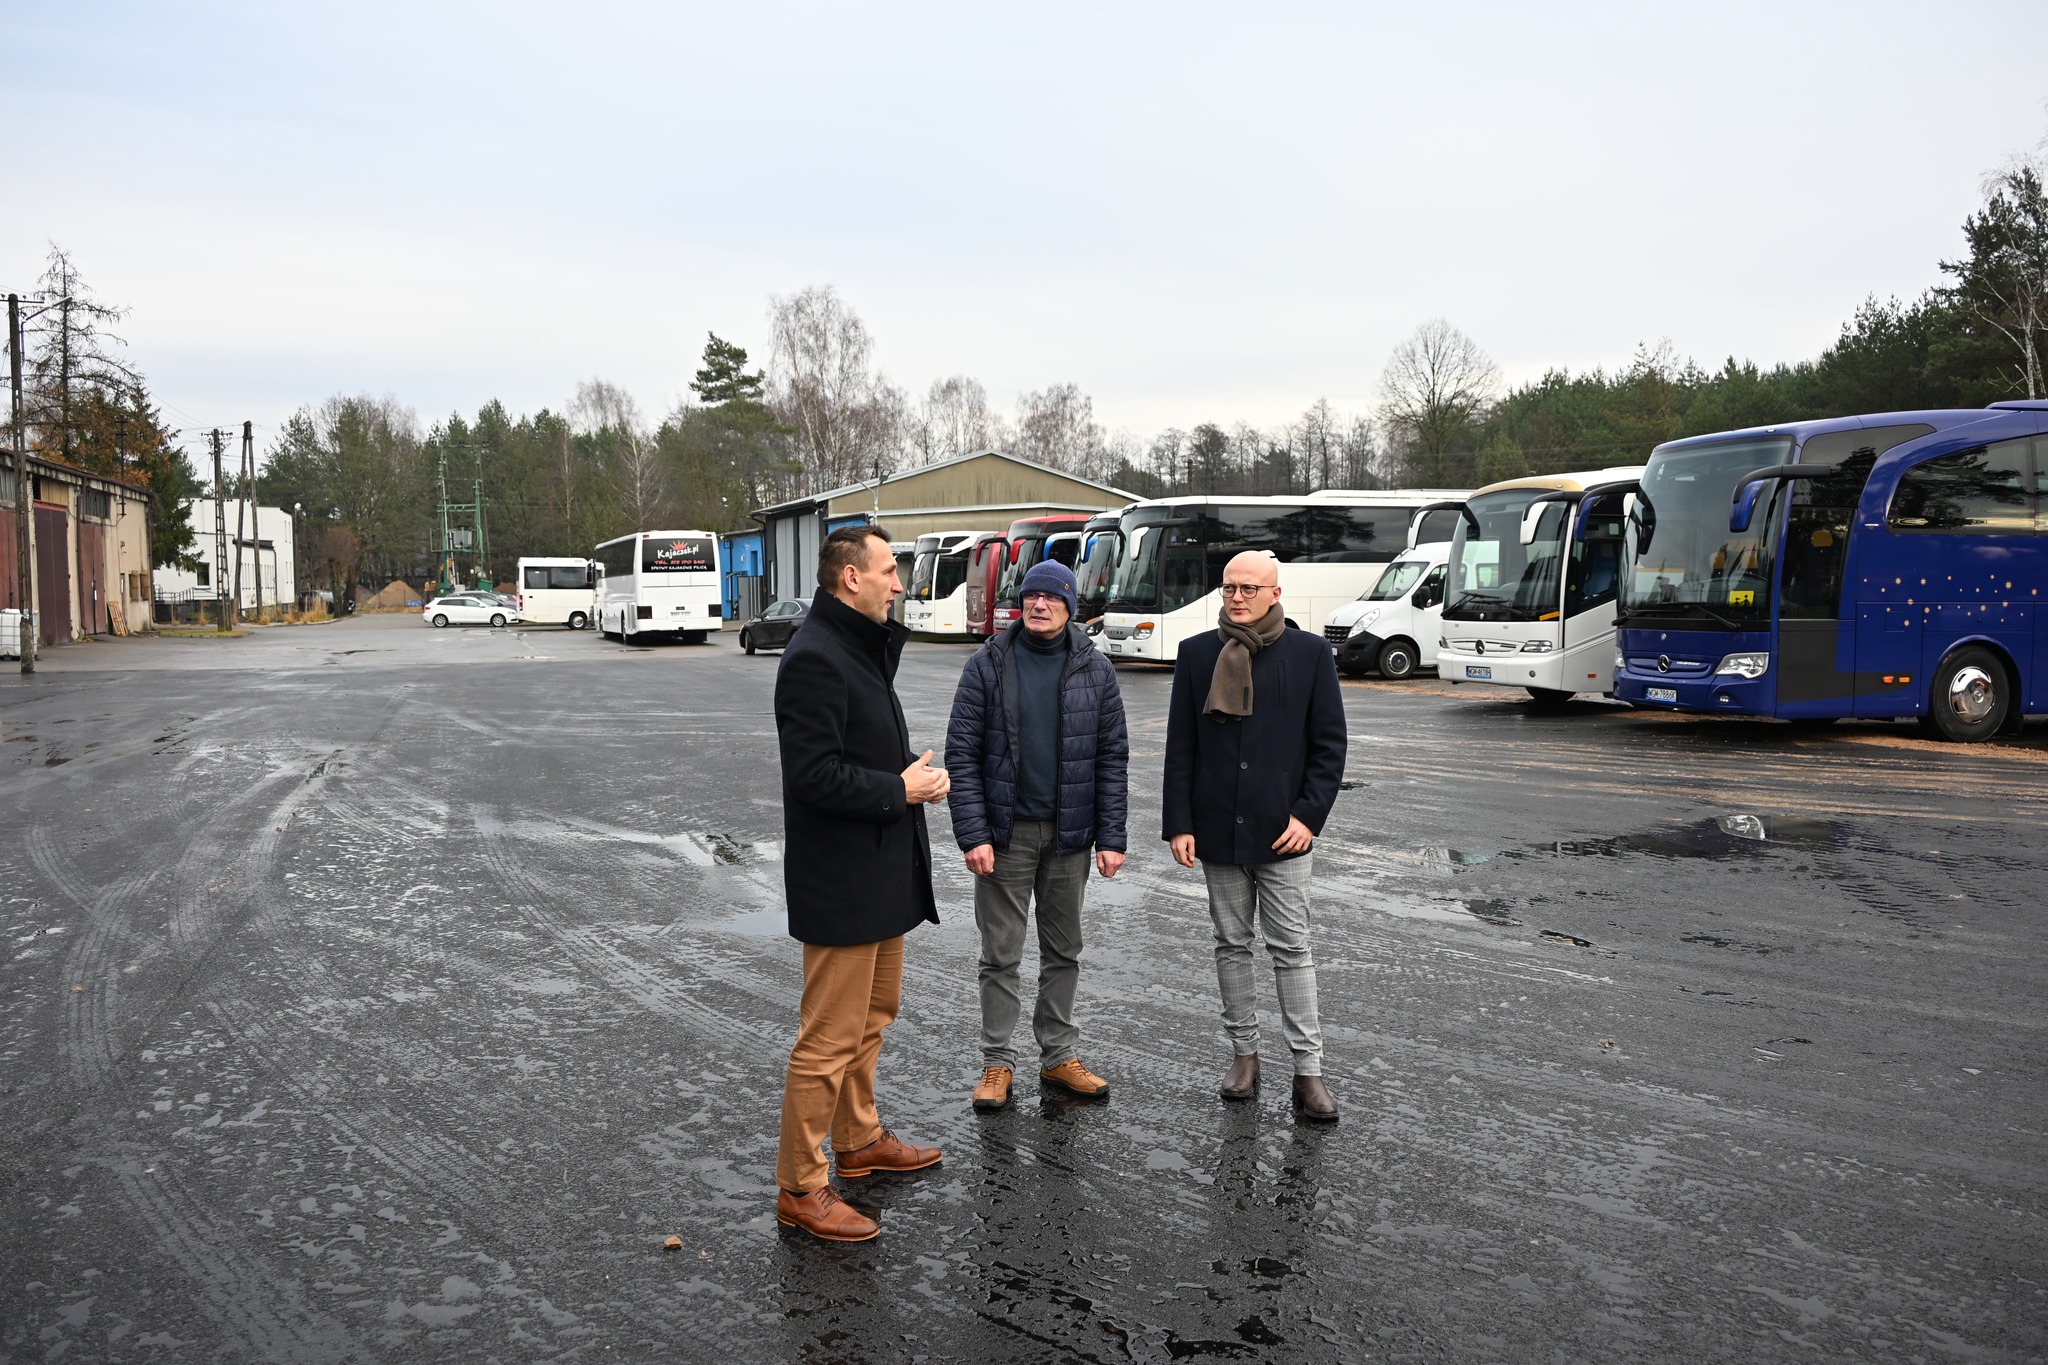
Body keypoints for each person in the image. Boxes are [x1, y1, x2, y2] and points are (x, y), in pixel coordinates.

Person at [772, 524, 952, 1242]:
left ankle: (858, 1139)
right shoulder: (815, 656)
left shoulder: (858, 646)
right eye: (888, 571)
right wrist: (897, 789)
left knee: (873, 1017)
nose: (899, 584)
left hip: (879, 873)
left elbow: (859, 751)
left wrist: (908, 777)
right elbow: (812, 775)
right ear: (851, 577)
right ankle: (801, 1184)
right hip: (842, 881)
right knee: (828, 1039)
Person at [1161, 550, 1347, 1123]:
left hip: (1284, 832)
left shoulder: (1310, 654)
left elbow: (1329, 746)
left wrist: (1307, 817)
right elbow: (1181, 746)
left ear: (1275, 593)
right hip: (1216, 827)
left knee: (1292, 949)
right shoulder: (1197, 654)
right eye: (1229, 588)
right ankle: (1244, 1055)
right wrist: (1179, 822)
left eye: (1249, 588)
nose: (1237, 597)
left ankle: (1309, 1071)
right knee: (1231, 944)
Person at [945, 559, 1129, 1112]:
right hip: (1006, 836)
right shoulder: (988, 664)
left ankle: (1058, 1057)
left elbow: (1112, 758)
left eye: (1051, 598)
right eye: (1031, 596)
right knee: (1000, 954)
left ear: (1070, 606)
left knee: (1064, 950)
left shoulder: (1095, 669)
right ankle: (997, 1062)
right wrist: (973, 834)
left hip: (1070, 836)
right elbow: (962, 753)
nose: (1039, 605)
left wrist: (1112, 836)